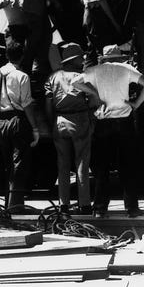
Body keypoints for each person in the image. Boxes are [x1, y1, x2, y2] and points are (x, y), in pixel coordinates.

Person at [80, 45, 144, 217]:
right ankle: (132, 208)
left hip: (103, 122)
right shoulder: (126, 68)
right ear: (119, 56)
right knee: (127, 166)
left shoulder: (95, 70)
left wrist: (95, 95)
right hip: (124, 122)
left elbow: (75, 82)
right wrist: (136, 104)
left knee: (101, 167)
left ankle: (99, 208)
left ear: (103, 57)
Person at [45, 43, 100, 213]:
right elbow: (93, 101)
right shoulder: (82, 77)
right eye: (80, 57)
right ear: (75, 59)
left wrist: (50, 122)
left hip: (59, 121)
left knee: (62, 164)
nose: (83, 60)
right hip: (80, 120)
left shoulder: (53, 77)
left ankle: (64, 204)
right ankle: (84, 204)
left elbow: (48, 104)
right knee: (82, 163)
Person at [0, 41, 41, 209]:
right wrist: (35, 128)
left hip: (1, 120)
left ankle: (7, 203)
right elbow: (26, 104)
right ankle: (16, 204)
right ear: (22, 56)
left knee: (6, 163)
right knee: (19, 163)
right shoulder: (22, 76)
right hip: (17, 120)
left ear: (6, 55)